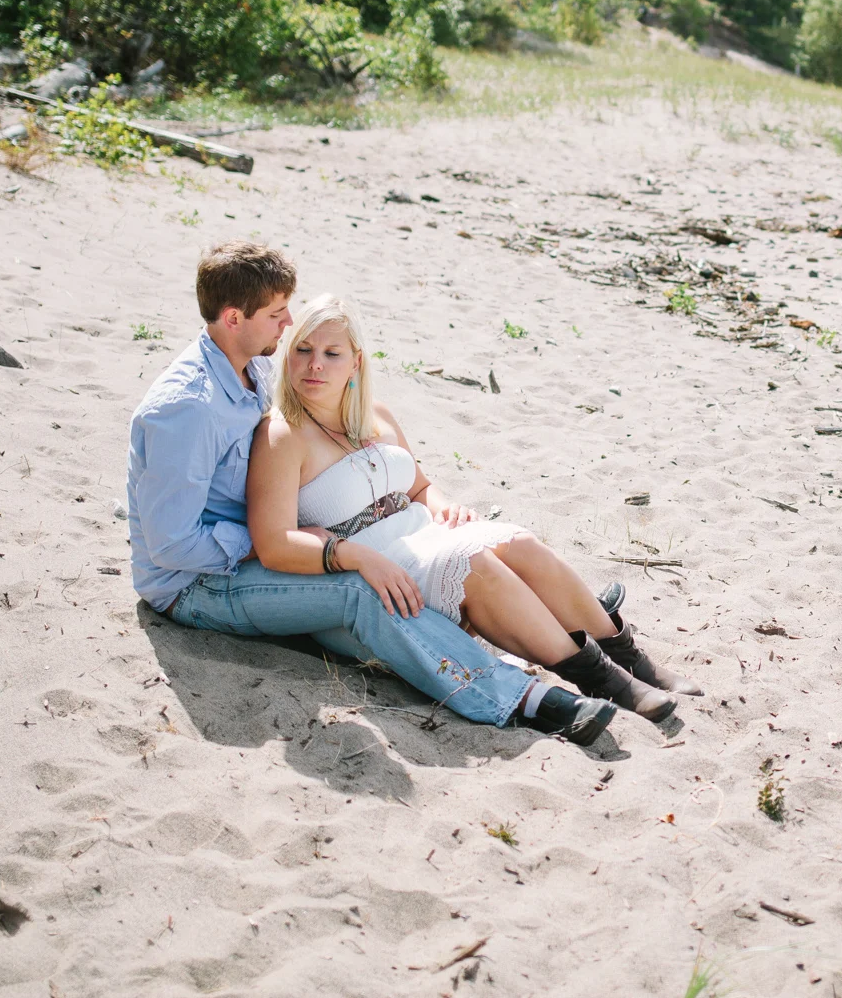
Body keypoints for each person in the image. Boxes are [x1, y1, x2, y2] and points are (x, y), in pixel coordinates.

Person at [127, 241, 617, 745]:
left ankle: (563, 622)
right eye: (276, 314)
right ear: (233, 318)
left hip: (263, 544)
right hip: (194, 584)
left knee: (408, 570)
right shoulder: (186, 409)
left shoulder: (251, 366)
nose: (287, 322)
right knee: (362, 590)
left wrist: (306, 535)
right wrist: (283, 541)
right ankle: (521, 698)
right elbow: (171, 545)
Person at [247, 293, 699, 724]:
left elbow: (420, 485)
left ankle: (628, 658)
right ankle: (602, 680)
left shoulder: (375, 415)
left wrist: (447, 506)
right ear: (287, 355)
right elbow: (272, 545)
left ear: (356, 362)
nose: (315, 365)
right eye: (303, 350)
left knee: (518, 541)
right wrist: (350, 554)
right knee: (475, 563)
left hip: (424, 536)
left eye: (332, 353)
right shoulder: (282, 436)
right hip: (380, 572)